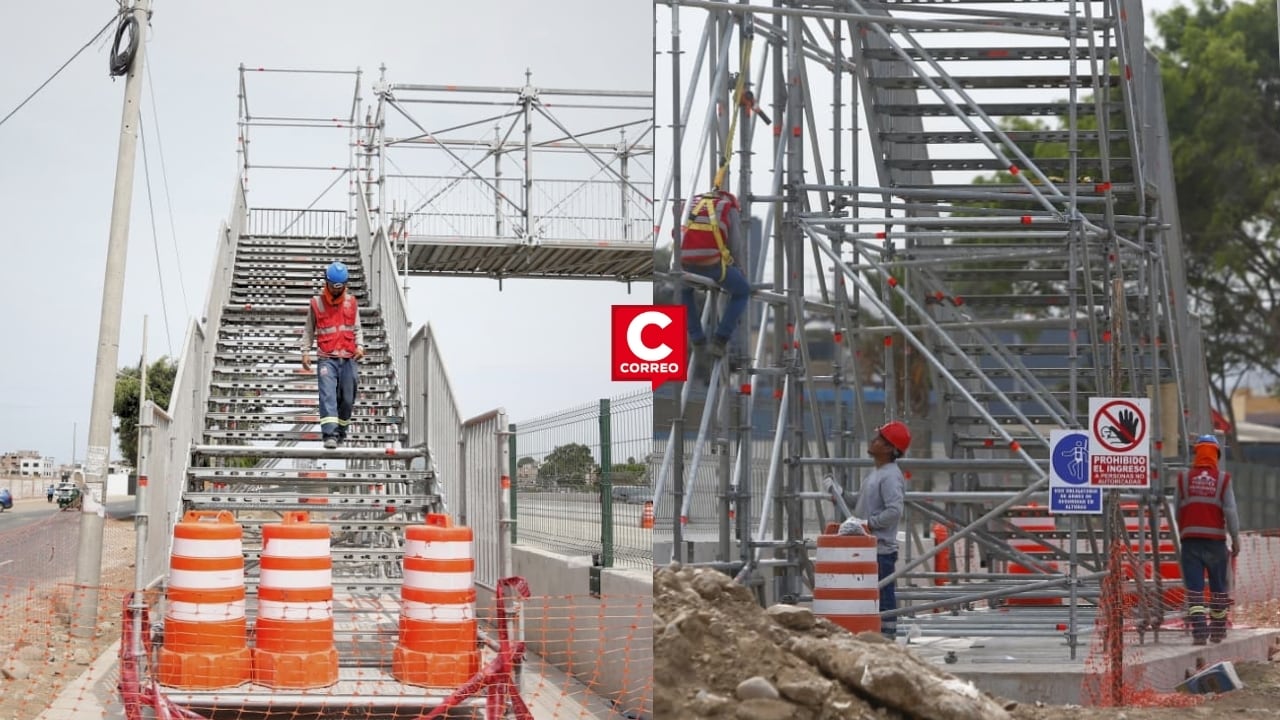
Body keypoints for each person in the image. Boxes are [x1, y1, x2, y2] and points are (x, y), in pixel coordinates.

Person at [840, 420, 910, 640]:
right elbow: (862, 505)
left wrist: (868, 525)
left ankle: (887, 637)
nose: (873, 441)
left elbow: (894, 511)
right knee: (872, 595)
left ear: (890, 449)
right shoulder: (876, 474)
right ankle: (879, 635)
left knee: (883, 594)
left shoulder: (889, 475)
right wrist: (840, 494)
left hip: (880, 549)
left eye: (880, 439)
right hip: (868, 547)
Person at [679, 188, 751, 380]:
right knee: (742, 291)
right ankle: (720, 339)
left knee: (684, 291)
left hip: (684, 263)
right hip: (711, 265)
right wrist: (741, 269)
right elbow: (735, 245)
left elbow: (677, 232)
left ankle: (696, 337)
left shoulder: (691, 203)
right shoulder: (729, 208)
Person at [1175, 434, 1240, 645]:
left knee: (1195, 589)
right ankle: (1218, 631)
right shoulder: (1223, 480)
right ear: (1216, 455)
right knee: (1218, 588)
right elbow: (1230, 511)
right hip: (1215, 543)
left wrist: (1186, 529)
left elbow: (1177, 510)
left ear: (1196, 453)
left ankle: (1200, 633)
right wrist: (1236, 539)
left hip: (1190, 542)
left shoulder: (1183, 479)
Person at [300, 261, 365, 449]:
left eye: (340, 286)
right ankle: (329, 434)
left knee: (347, 397)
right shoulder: (317, 303)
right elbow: (308, 330)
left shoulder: (351, 303)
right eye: (334, 286)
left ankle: (341, 431)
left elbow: (357, 327)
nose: (337, 290)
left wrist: (360, 346)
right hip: (327, 358)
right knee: (327, 394)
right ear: (326, 282)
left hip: (348, 357)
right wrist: (305, 352)